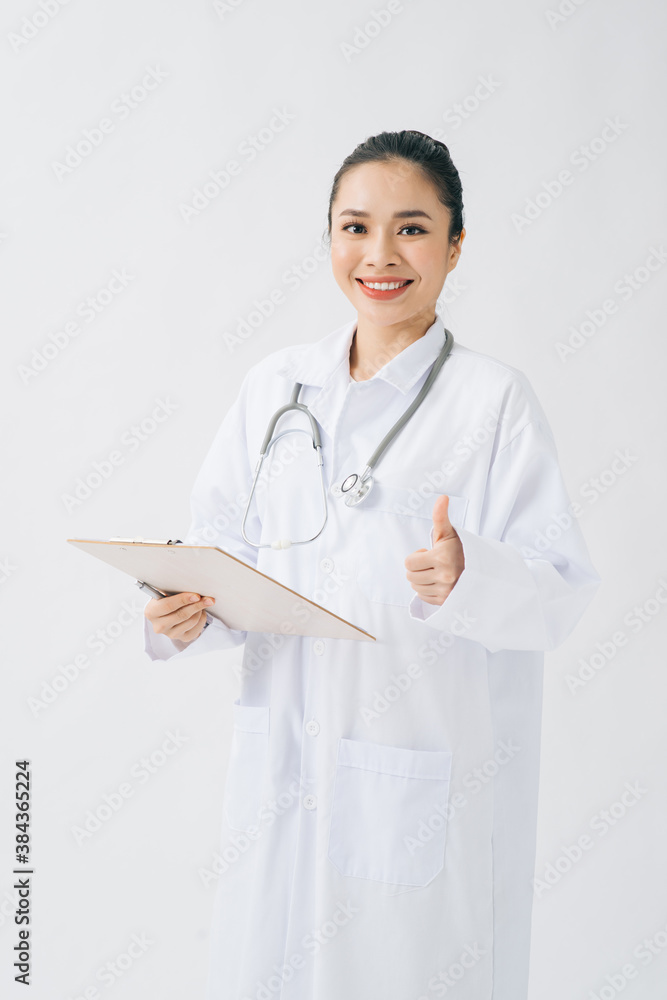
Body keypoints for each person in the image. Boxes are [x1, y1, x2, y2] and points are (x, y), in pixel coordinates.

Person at [143, 129, 601, 1000]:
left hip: (418, 766)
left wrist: (474, 575)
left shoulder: (491, 400)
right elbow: (216, 547)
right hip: (282, 761)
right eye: (354, 227)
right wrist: (182, 610)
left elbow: (557, 593)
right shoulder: (277, 387)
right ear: (329, 239)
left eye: (413, 228)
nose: (379, 255)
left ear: (456, 245)